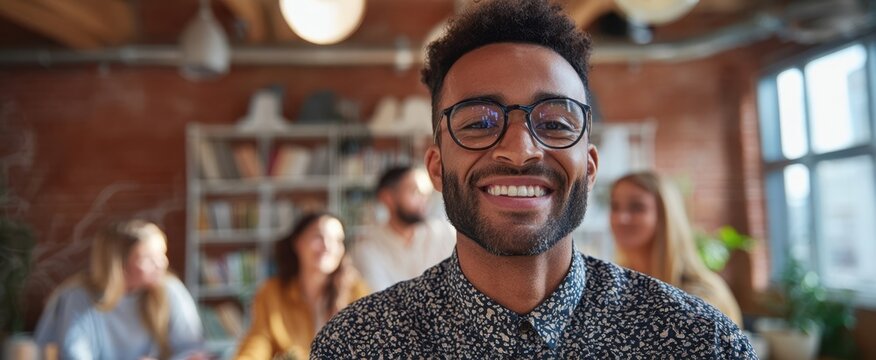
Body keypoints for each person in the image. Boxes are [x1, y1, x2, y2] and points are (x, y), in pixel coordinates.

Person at [311, 0, 755, 357]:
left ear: (590, 167)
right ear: (436, 168)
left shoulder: (697, 343)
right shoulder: (358, 346)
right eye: (479, 123)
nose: (521, 150)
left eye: (556, 123)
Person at [34, 220, 204, 360]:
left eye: (162, 254)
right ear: (118, 265)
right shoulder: (78, 296)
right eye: (148, 259)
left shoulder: (171, 290)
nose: (162, 264)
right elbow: (73, 355)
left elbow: (192, 350)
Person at [610, 171, 743, 325]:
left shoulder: (703, 297)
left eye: (637, 207)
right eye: (615, 206)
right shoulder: (615, 288)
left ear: (666, 216)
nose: (621, 218)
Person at [235, 212, 369, 359]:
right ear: (297, 242)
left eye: (337, 240)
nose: (328, 246)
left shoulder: (356, 291)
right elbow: (258, 341)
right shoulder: (272, 292)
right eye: (319, 237)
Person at [351, 165, 456, 291]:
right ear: (387, 197)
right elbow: (381, 296)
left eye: (426, 193)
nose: (424, 199)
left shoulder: (444, 234)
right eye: (415, 192)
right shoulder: (367, 247)